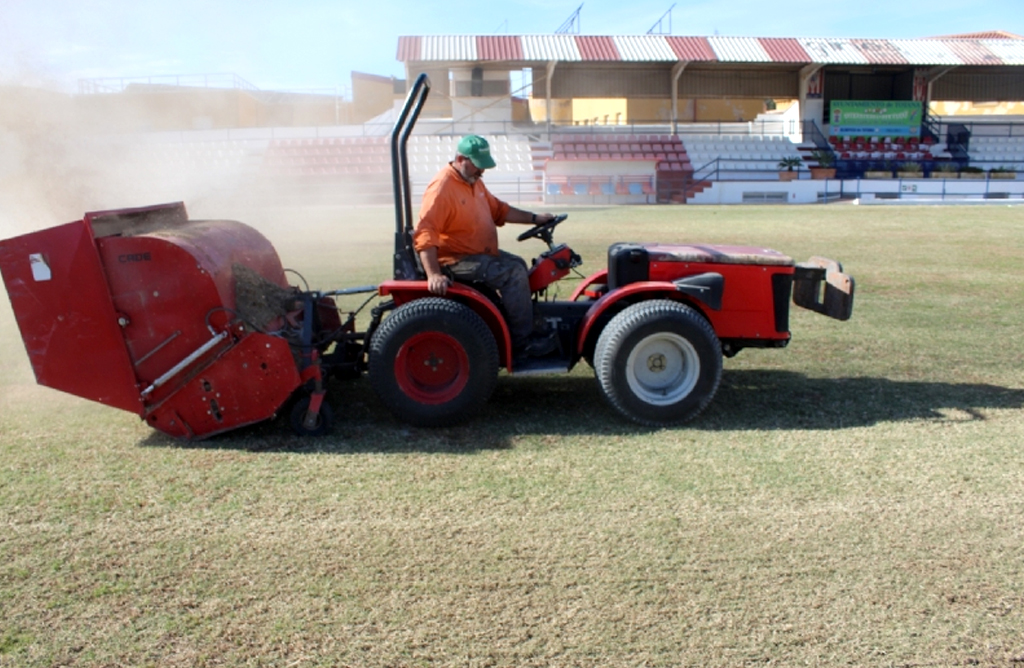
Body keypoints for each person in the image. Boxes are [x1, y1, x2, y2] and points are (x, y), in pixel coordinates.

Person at [413, 134, 558, 357]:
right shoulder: (442, 188)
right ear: (461, 159)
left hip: (476, 254)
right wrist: (433, 274)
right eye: (478, 166)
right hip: (455, 260)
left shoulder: (473, 182)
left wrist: (535, 218)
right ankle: (522, 342)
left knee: (517, 263)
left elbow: (500, 210)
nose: (482, 171)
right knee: (512, 273)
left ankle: (517, 322)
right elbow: (425, 231)